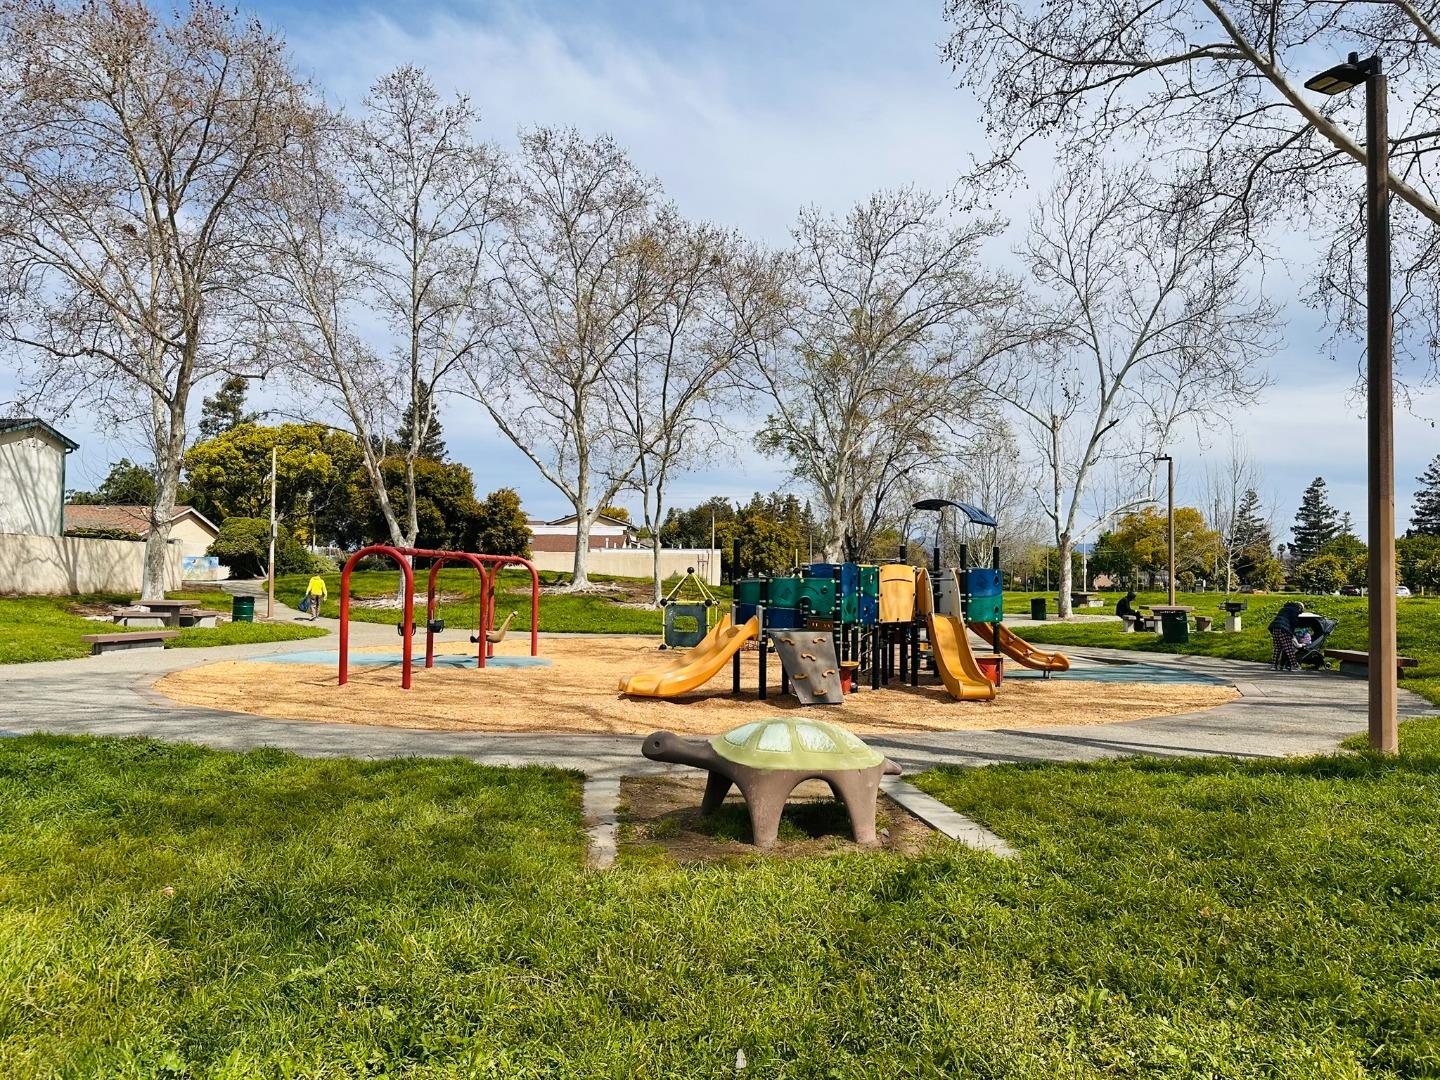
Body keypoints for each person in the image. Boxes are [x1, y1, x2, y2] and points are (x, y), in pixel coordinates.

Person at [1268, 601, 1305, 672]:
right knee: (1289, 648)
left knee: (1277, 648)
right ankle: (1295, 666)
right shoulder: (1295, 609)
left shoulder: (1284, 608)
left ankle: (1274, 666)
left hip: (1275, 628)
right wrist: (1292, 633)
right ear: (1300, 607)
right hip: (1283, 629)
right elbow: (1293, 622)